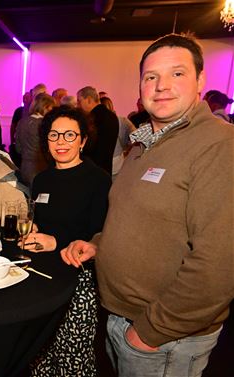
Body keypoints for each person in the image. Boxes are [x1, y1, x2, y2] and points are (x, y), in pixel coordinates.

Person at [62, 33, 234, 377]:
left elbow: (219, 264)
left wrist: (149, 332)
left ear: (200, 80)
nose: (162, 85)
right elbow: (140, 219)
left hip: (165, 338)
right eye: (151, 76)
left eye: (178, 74)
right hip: (123, 319)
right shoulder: (143, 144)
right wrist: (99, 245)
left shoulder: (219, 145)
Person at [22, 106, 111, 376]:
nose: (61, 142)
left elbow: (98, 233)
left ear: (83, 140)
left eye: (70, 135)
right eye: (54, 135)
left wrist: (56, 241)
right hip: (41, 275)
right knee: (39, 355)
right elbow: (45, 220)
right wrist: (34, 226)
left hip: (77, 280)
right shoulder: (42, 180)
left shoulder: (98, 180)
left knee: (73, 359)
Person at [77, 86, 119, 174]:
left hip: (91, 170)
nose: (78, 105)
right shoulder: (112, 116)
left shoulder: (92, 118)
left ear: (88, 99)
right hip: (106, 169)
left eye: (79, 101)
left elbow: (89, 147)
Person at [16, 93, 55, 186]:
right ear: (45, 107)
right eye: (51, 108)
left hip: (24, 167)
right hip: (41, 167)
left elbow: (18, 148)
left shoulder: (22, 121)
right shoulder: (44, 124)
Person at [99, 96, 135, 178]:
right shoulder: (122, 120)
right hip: (118, 161)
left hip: (102, 163)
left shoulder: (95, 122)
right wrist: (127, 148)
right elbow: (136, 137)